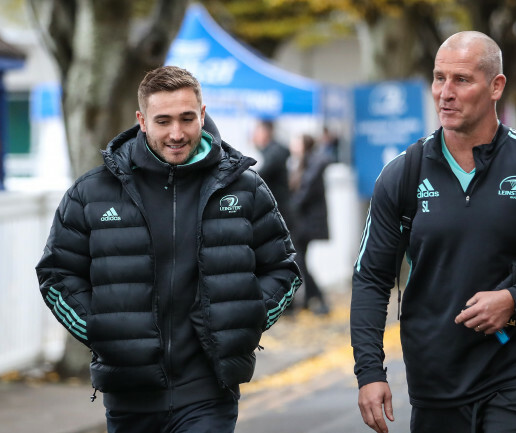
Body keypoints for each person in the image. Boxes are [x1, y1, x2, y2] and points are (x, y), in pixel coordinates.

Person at [351, 31, 516, 433]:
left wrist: (514, 300)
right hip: (436, 379)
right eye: (438, 78)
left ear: (496, 86)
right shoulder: (402, 174)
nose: (445, 93)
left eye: (461, 80)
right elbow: (371, 279)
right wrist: (369, 372)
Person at [36, 66, 301, 433]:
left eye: (187, 118)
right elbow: (56, 275)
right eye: (163, 121)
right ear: (142, 121)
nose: (176, 133)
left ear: (202, 115)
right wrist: (102, 332)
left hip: (210, 392)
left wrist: (246, 321)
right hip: (131, 395)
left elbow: (283, 268)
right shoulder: (91, 193)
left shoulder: (244, 188)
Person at [289, 133, 332, 315]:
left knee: (300, 261)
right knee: (301, 260)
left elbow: (303, 193)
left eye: (296, 142)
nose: (293, 145)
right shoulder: (301, 163)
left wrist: (288, 209)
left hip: (306, 222)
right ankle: (309, 299)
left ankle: (319, 297)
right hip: (302, 221)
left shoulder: (312, 164)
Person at [251, 118, 292, 228]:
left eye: (257, 131)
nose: (255, 134)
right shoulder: (269, 150)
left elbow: (261, 173)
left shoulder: (275, 152)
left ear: (266, 132)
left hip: (279, 206)